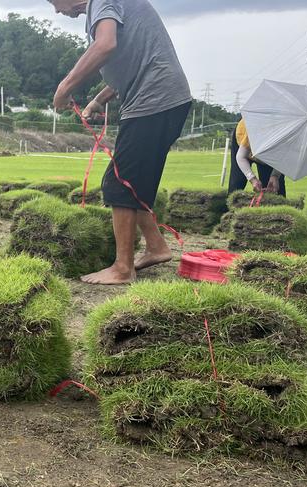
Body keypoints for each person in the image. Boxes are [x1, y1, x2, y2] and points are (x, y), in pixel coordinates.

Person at [48, 0, 192, 285]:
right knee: (132, 182)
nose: (58, 11)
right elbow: (131, 63)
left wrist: (64, 87)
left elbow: (105, 45)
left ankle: (123, 268)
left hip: (154, 101)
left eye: (54, 2)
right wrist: (97, 100)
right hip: (165, 100)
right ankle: (156, 247)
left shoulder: (102, 0)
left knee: (118, 181)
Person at [228, 119, 286, 197]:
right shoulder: (253, 132)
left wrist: (275, 176)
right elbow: (241, 157)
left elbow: (283, 159)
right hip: (243, 140)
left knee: (274, 188)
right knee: (237, 182)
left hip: (267, 156)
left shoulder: (285, 136)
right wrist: (252, 179)